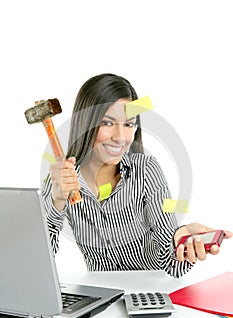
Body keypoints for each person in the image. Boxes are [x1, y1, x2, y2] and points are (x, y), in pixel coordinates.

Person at [42, 73, 232, 277]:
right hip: (100, 296)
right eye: (107, 123)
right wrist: (57, 200)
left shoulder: (146, 170)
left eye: (128, 124)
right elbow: (41, 262)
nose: (121, 137)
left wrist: (179, 242)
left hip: (151, 295)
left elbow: (169, 262)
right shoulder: (60, 182)